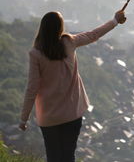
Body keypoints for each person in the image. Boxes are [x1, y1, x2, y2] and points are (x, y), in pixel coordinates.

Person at [19, 10, 126, 162]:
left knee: (54, 157)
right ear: (60, 28)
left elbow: (32, 88)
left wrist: (24, 119)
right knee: (68, 156)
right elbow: (93, 34)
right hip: (72, 113)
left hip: (49, 117)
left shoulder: (36, 54)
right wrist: (115, 21)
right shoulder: (69, 42)